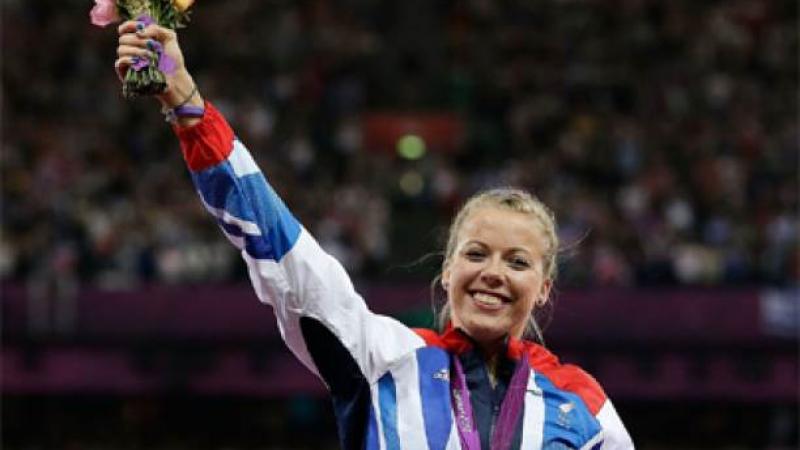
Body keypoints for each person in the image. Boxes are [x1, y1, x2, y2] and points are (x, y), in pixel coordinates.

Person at [115, 20, 634, 450]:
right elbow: (284, 254)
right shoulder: (385, 358)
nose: (493, 273)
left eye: (518, 262)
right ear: (448, 268)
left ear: (544, 285)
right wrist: (184, 100)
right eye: (477, 254)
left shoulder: (583, 406)